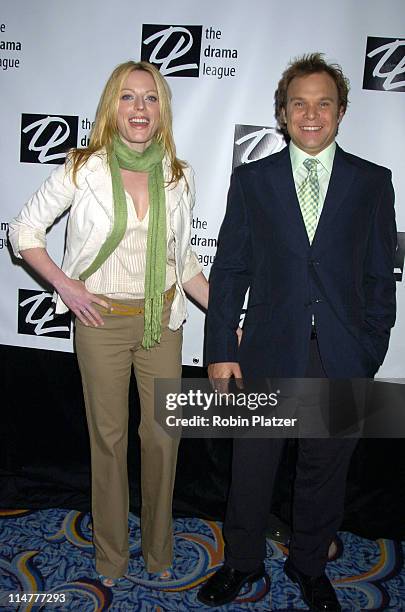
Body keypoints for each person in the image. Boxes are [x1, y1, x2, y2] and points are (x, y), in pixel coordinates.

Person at [198, 53, 396, 610]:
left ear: (341, 111)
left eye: (323, 103)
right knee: (252, 467)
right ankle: (240, 562)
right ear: (282, 114)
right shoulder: (253, 180)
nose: (311, 114)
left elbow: (381, 276)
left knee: (324, 471)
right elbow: (231, 269)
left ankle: (310, 565)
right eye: (299, 104)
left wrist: (369, 349)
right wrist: (219, 351)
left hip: (341, 355)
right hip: (265, 351)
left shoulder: (372, 183)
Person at [9, 60, 209, 586]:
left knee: (165, 439)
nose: (139, 108)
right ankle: (111, 557)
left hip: (161, 320)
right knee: (110, 439)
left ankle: (160, 552)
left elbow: (182, 260)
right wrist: (66, 285)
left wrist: (229, 315)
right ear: (111, 107)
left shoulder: (178, 174)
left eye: (149, 98)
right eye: (128, 97)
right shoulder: (83, 168)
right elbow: (23, 230)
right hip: (100, 321)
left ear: (161, 109)